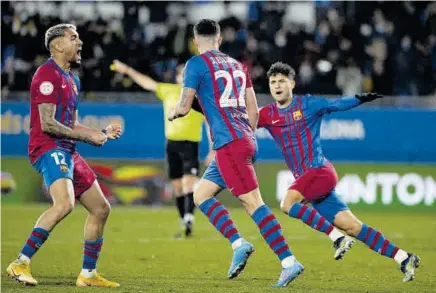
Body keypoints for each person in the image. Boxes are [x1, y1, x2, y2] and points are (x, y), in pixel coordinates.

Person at [168, 19, 304, 288]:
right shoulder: (238, 66)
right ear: (219, 40)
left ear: (196, 42)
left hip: (229, 143)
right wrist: (246, 137)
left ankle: (289, 262)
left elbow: (184, 107)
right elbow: (253, 111)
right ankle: (239, 243)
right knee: (200, 194)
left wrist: (175, 112)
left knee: (253, 203)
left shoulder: (195, 64)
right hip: (243, 138)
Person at [258, 61, 421, 282]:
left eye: (282, 81)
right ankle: (404, 257)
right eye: (273, 82)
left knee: (287, 204)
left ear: (292, 84)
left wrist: (359, 99)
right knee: (353, 227)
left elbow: (336, 104)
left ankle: (336, 238)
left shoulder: (308, 105)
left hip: (319, 171)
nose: (277, 85)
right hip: (311, 181)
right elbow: (240, 121)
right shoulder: (266, 114)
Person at [6, 24, 122, 287]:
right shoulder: (47, 75)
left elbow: (72, 125)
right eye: (73, 38)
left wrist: (98, 132)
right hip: (47, 147)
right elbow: (47, 124)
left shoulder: (72, 78)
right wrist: (87, 137)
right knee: (64, 204)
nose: (80, 42)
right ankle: (19, 263)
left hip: (67, 149)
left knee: (101, 208)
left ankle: (88, 275)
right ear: (58, 45)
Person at [110, 60, 204, 237]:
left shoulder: (198, 95)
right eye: (181, 74)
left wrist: (215, 146)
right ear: (177, 77)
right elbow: (147, 82)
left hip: (191, 143)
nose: (183, 77)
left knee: (189, 183)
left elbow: (208, 120)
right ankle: (184, 220)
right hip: (172, 144)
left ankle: (190, 217)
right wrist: (128, 69)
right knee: (177, 186)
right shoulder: (168, 90)